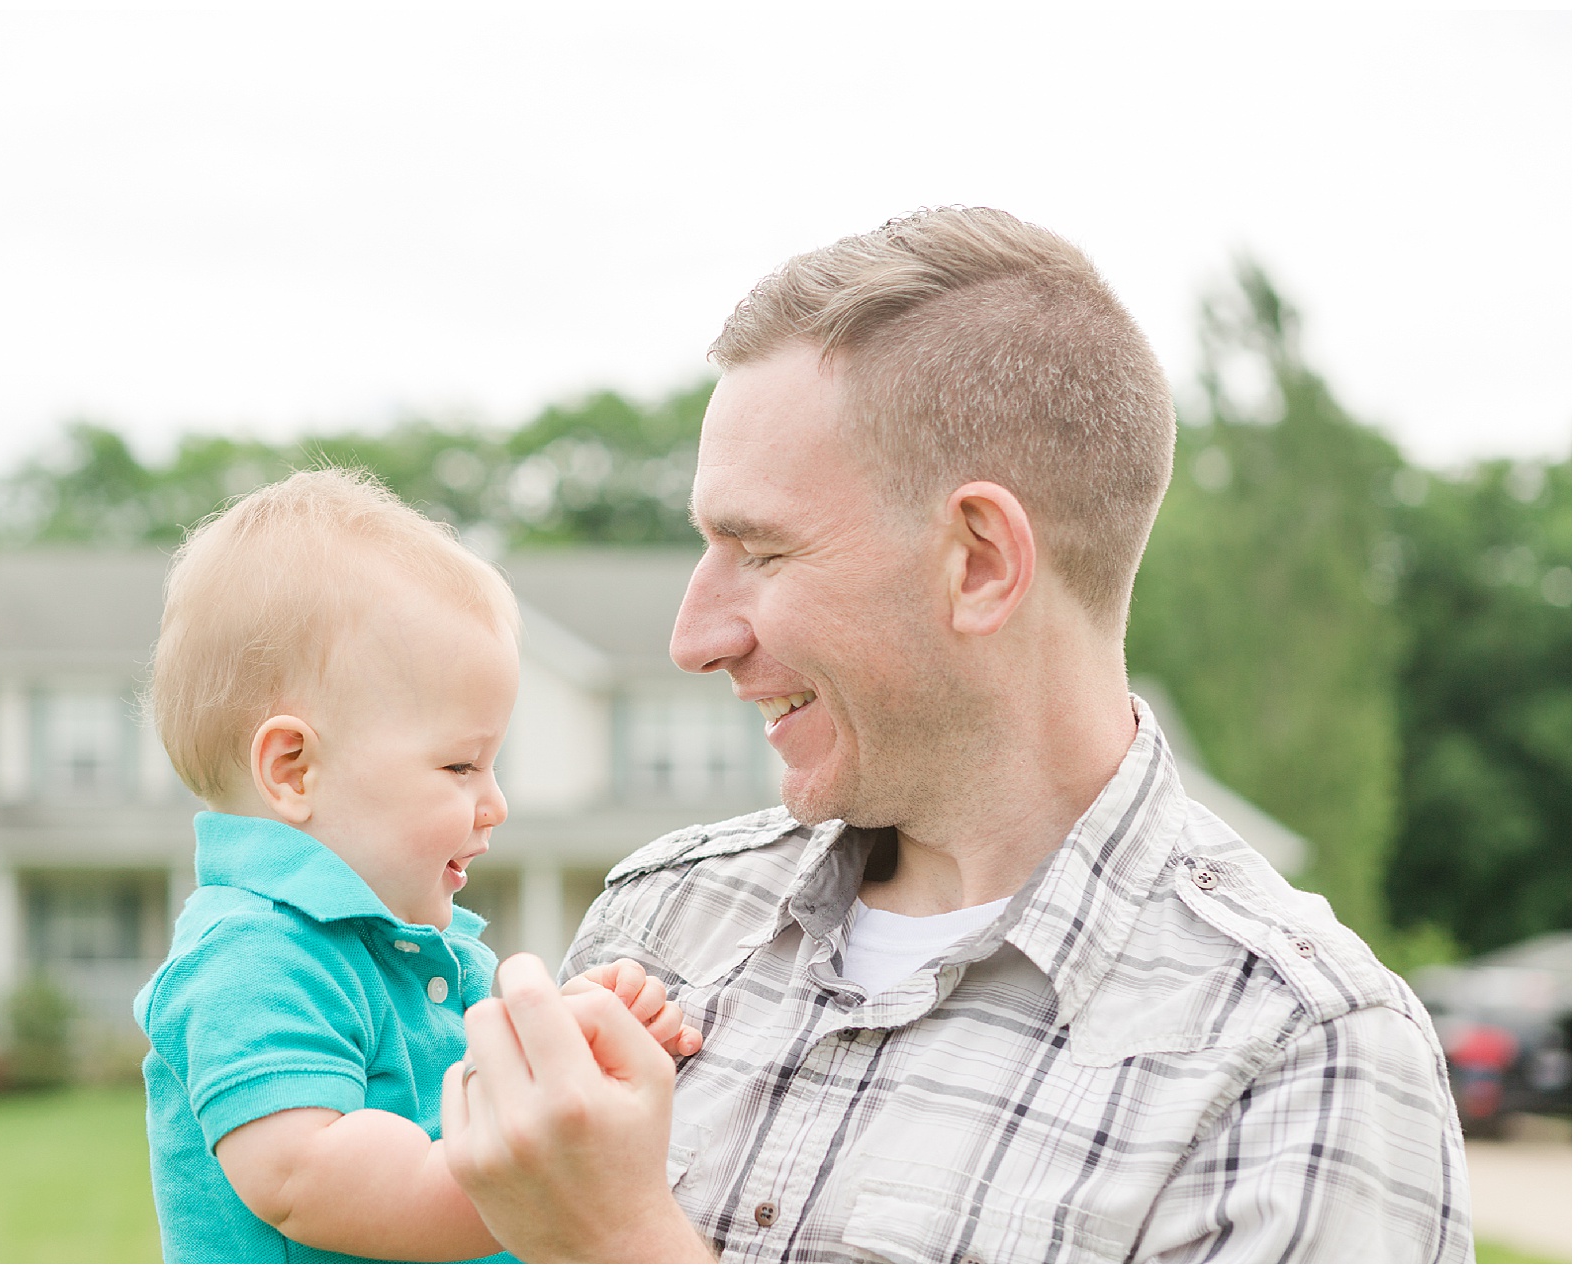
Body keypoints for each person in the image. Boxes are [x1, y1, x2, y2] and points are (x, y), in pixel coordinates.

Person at [440, 208, 1474, 1262]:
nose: (693, 638)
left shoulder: (1295, 1054)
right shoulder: (663, 915)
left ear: (978, 560)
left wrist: (616, 1242)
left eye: (759, 550)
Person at [133, 469, 698, 1263]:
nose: (495, 802)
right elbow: (307, 1179)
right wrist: (553, 1181)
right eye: (461, 768)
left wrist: (568, 1051)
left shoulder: (408, 950)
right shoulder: (253, 958)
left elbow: (468, 1107)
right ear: (293, 768)